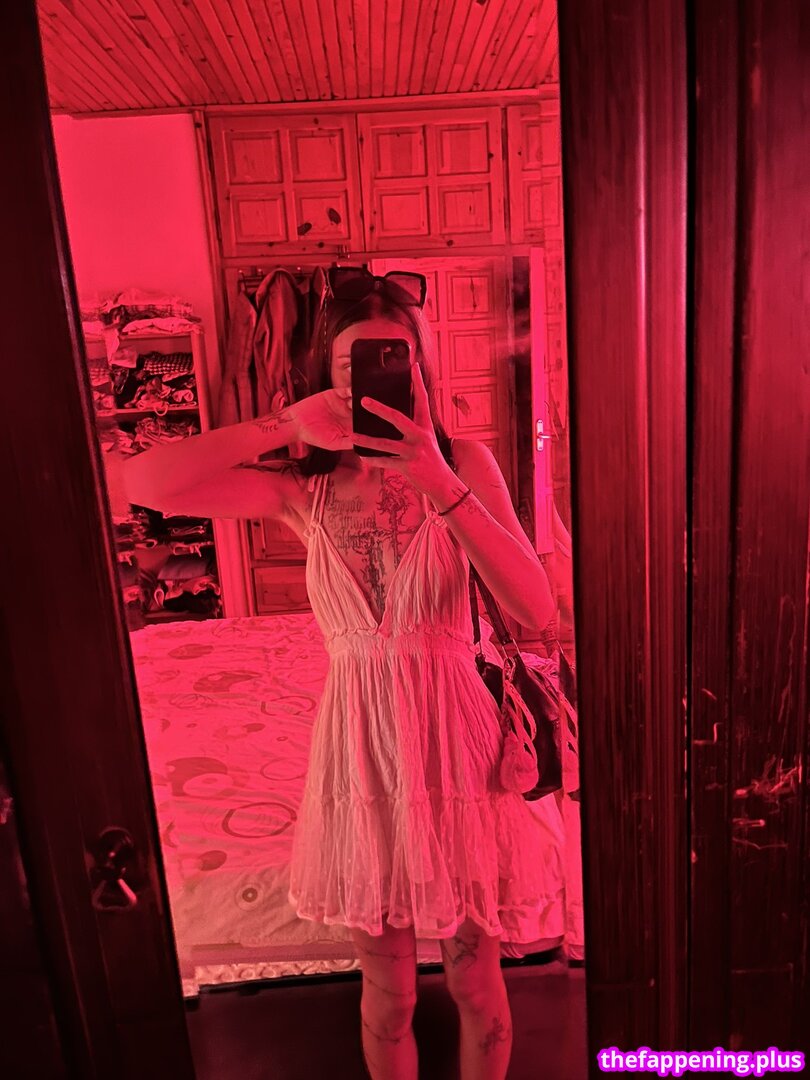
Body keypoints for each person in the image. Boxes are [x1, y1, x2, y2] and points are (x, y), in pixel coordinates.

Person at [123, 267, 562, 1080]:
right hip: (358, 755)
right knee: (386, 996)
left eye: (393, 361)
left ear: (421, 370)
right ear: (325, 377)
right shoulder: (303, 487)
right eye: (350, 368)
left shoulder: (464, 462)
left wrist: (436, 478)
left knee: (475, 982)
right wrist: (286, 423)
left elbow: (534, 608)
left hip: (457, 749)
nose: (372, 384)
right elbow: (141, 482)